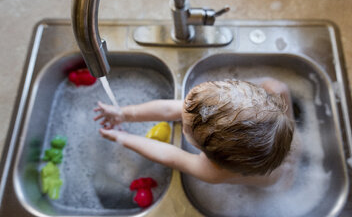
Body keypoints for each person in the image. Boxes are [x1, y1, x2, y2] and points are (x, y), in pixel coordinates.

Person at [94, 78, 300, 187]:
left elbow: (170, 155)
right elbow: (168, 110)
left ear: (209, 156)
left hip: (281, 177)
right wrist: (124, 114)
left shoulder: (212, 172)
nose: (179, 113)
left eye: (185, 128)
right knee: (276, 87)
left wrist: (123, 138)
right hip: (276, 138)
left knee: (275, 89)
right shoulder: (209, 108)